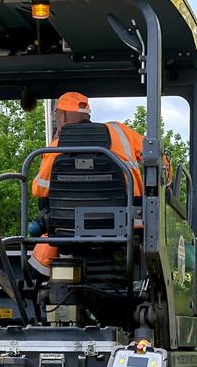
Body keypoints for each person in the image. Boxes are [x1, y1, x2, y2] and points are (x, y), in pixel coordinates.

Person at [29, 93, 170, 275]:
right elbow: (161, 162)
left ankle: (36, 285)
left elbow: (39, 189)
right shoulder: (121, 132)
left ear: (62, 115)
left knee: (47, 238)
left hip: (70, 227)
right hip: (127, 223)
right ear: (87, 114)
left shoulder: (58, 146)